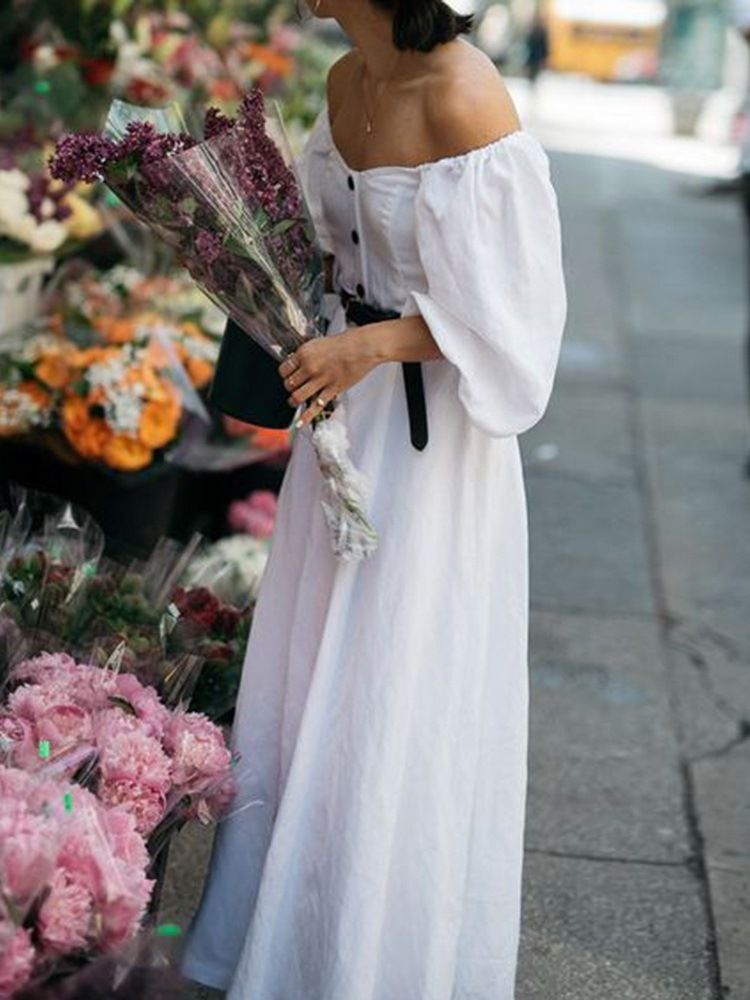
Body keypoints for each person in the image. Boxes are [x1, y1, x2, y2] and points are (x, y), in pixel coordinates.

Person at [181, 0, 567, 996]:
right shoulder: (346, 79)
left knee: (394, 681)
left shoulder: (467, 99)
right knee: (314, 674)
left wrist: (375, 343)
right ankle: (283, 941)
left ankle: (370, 963)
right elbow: (329, 251)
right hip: (339, 428)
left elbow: (518, 323)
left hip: (433, 450)